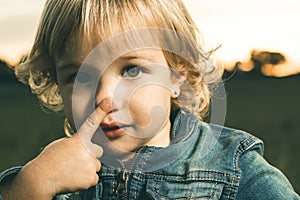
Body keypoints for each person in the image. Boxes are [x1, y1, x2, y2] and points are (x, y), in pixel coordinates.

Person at [0, 0, 299, 199]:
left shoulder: (232, 165)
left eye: (131, 70)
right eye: (80, 77)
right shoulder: (54, 174)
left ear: (177, 74)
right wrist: (29, 188)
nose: (105, 97)